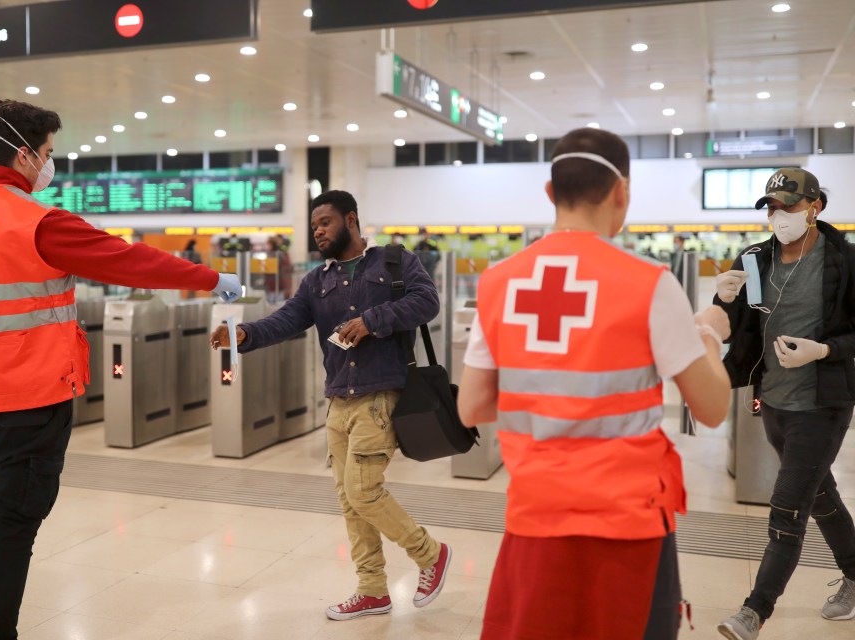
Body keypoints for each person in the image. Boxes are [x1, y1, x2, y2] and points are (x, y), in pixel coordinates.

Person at [0, 99, 242, 640]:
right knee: (13, 530)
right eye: (46, 153)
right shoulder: (37, 222)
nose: (49, 164)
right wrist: (213, 280)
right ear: (24, 155)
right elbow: (131, 261)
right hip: (32, 401)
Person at [456, 127, 733, 640]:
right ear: (621, 192)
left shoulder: (499, 283)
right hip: (629, 526)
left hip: (534, 519)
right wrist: (708, 336)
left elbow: (471, 406)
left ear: (549, 193)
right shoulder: (650, 283)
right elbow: (712, 408)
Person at [210, 190, 452, 621]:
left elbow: (427, 302)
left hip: (381, 393)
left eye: (325, 222)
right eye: (314, 225)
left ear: (351, 219)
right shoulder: (317, 281)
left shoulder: (394, 261)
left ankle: (430, 554)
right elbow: (287, 319)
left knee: (363, 490)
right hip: (339, 397)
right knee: (348, 498)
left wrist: (373, 321)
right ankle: (372, 588)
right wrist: (245, 333)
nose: (318, 231)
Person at [714, 171, 855, 640]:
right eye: (772, 208)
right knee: (820, 496)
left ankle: (754, 611)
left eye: (789, 207)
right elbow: (739, 326)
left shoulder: (844, 261)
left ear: (814, 207)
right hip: (773, 400)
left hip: (823, 402)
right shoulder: (755, 260)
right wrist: (724, 298)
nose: (779, 216)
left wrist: (825, 350)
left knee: (787, 507)